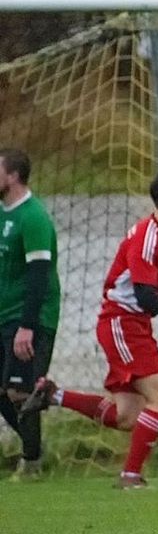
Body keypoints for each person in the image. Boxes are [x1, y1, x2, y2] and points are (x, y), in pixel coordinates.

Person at [22, 169, 158, 489]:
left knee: (127, 416)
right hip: (121, 323)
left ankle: (53, 394)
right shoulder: (146, 237)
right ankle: (130, 477)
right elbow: (145, 295)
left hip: (132, 324)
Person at [0, 148, 60, 481]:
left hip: (28, 318)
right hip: (3, 314)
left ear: (12, 176)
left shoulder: (33, 217)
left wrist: (28, 326)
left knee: (20, 392)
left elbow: (39, 274)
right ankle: (34, 449)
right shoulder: (2, 213)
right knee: (5, 392)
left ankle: (32, 463)